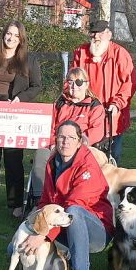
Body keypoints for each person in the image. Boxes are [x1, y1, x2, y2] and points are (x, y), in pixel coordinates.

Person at [20, 121, 112, 270]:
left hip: (96, 230)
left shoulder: (87, 166)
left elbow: (74, 204)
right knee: (16, 246)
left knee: (74, 211)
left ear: (80, 142)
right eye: (61, 136)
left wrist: (44, 235)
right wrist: (35, 228)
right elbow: (46, 201)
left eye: (71, 138)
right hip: (61, 222)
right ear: (55, 139)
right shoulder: (53, 162)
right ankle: (54, 257)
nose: (65, 142)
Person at [0, 21, 43, 219]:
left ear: (21, 39)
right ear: (3, 35)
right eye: (8, 34)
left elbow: (36, 86)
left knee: (13, 161)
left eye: (15, 35)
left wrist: (20, 99)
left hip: (13, 112)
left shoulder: (29, 60)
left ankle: (16, 204)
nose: (11, 38)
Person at [29, 66, 106, 202]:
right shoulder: (59, 103)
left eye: (79, 82)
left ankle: (77, 199)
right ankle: (39, 199)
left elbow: (97, 131)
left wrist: (78, 143)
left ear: (86, 84)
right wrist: (53, 143)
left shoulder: (94, 105)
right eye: (70, 82)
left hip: (81, 145)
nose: (74, 86)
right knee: (41, 155)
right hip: (57, 144)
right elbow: (49, 126)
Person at [70, 19, 136, 162]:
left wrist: (118, 103)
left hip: (112, 114)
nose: (96, 37)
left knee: (113, 156)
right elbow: (71, 80)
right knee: (85, 155)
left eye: (100, 33)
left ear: (108, 34)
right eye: (93, 33)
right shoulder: (80, 52)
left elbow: (130, 83)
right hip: (87, 114)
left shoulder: (120, 54)